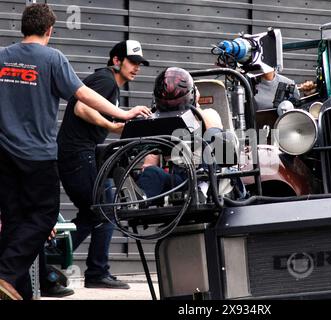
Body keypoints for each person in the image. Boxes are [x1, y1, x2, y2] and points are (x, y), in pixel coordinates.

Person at [0, 4, 150, 300]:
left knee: (15, 220)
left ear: (23, 27)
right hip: (38, 156)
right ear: (50, 30)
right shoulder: (52, 58)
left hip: (4, 155)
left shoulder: (2, 57)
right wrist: (123, 113)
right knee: (43, 218)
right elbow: (83, 96)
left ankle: (19, 289)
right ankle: (5, 274)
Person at [56, 40, 150, 290]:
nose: (136, 68)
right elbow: (80, 107)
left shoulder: (111, 86)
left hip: (81, 155)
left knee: (95, 213)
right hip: (77, 156)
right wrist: (112, 126)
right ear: (116, 61)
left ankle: (52, 261)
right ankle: (92, 271)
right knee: (103, 210)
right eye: (132, 62)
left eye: (140, 64)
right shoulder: (106, 80)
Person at [136, 67, 224, 198]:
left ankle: (201, 190)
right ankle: (141, 200)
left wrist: (196, 107)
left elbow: (216, 141)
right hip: (177, 178)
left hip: (207, 176)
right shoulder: (159, 122)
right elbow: (150, 162)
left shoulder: (208, 115)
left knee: (213, 134)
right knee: (152, 172)